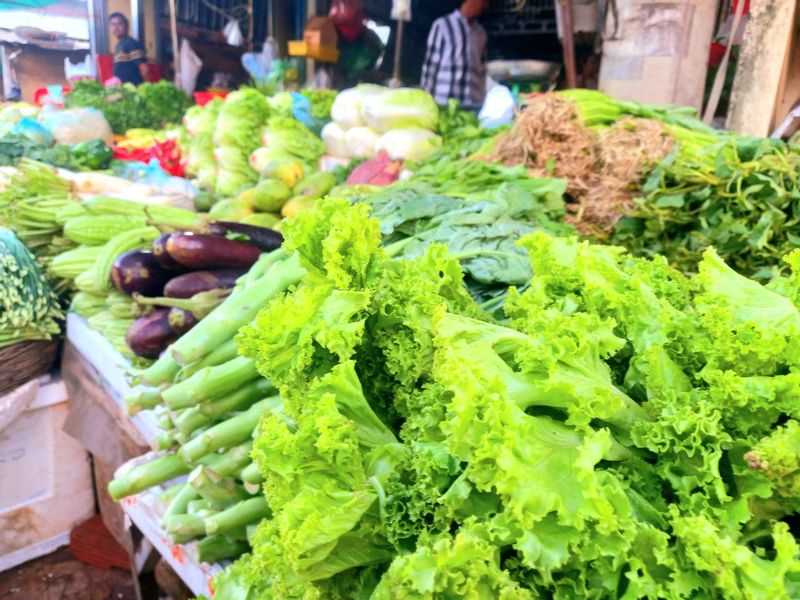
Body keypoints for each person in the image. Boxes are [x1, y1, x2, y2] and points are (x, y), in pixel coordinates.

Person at [421, 0, 489, 111]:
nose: (485, 5)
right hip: (444, 102)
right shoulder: (442, 25)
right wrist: (427, 97)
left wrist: (482, 99)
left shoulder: (481, 33)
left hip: (472, 104)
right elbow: (431, 64)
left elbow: (482, 70)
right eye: (483, 1)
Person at [109, 12, 149, 84]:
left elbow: (144, 68)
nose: (116, 27)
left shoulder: (131, 43)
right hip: (124, 89)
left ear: (126, 26)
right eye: (113, 24)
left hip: (134, 89)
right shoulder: (118, 46)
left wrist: (145, 88)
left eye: (120, 24)